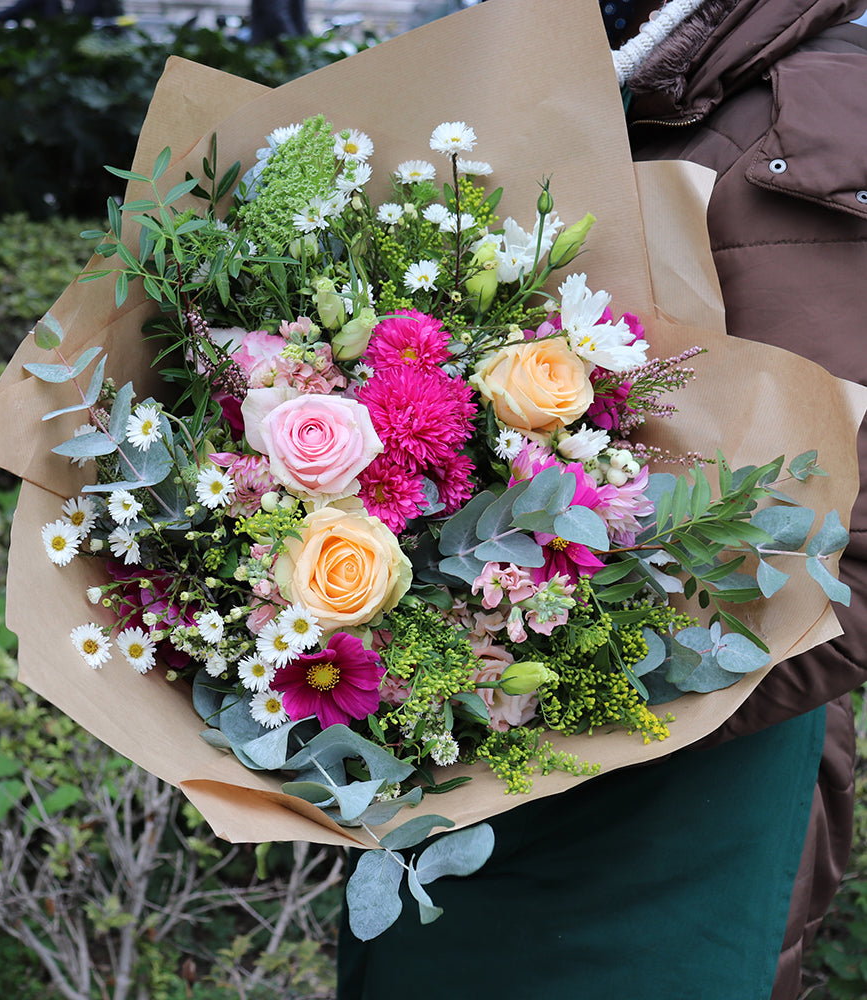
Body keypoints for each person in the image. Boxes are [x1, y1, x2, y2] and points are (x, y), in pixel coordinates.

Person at [335, 0, 867, 996]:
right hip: (454, 765)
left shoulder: (827, 113)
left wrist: (569, 685)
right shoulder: (555, 63)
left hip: (665, 802)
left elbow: (848, 553)